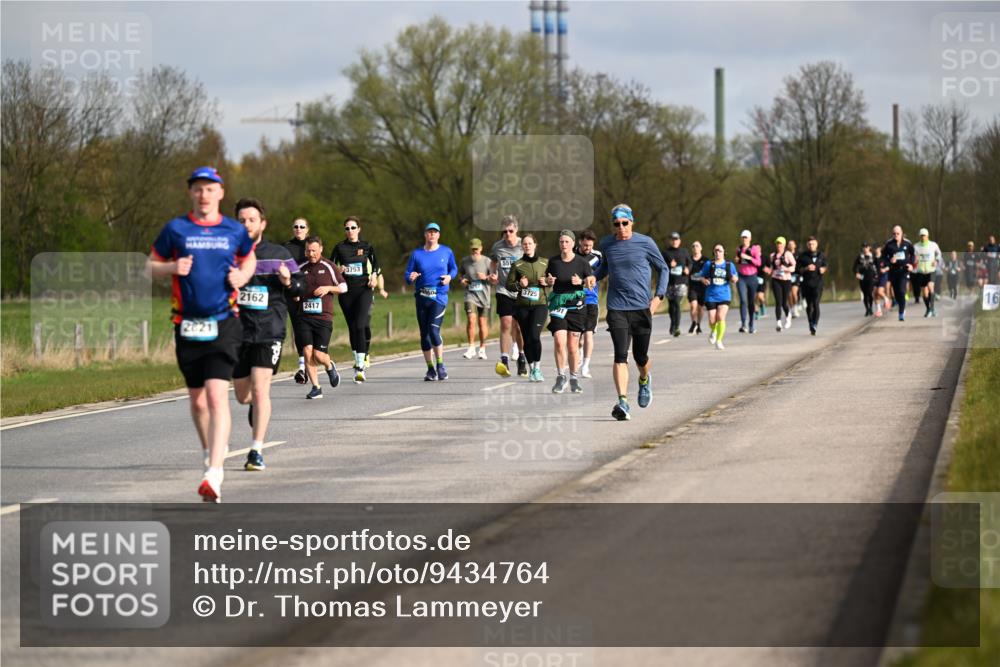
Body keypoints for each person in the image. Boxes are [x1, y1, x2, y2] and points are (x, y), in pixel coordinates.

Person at [148, 166, 256, 503]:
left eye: (210, 189)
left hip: (224, 321)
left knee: (215, 395)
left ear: (220, 193)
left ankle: (214, 472)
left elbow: (248, 260)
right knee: (196, 400)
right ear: (191, 193)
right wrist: (170, 268)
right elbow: (149, 266)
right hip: (186, 324)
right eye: (198, 189)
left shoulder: (233, 230)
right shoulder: (176, 229)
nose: (204, 194)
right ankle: (212, 450)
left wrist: (242, 276)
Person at [231, 198, 304, 472]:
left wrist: (287, 280)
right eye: (241, 220)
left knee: (261, 389)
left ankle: (256, 450)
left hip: (268, 330)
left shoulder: (279, 254)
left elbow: (300, 287)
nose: (246, 224)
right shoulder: (229, 254)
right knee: (242, 395)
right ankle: (254, 406)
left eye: (251, 219)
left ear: (262, 223)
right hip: (238, 332)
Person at [593, 204, 668, 422]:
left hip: (641, 308)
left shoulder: (646, 243)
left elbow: (663, 268)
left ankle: (644, 379)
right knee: (620, 354)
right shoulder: (607, 244)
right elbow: (605, 267)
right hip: (617, 307)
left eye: (624, 223)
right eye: (617, 224)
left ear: (631, 222)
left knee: (640, 357)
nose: (621, 228)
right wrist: (593, 277)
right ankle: (623, 401)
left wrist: (658, 298)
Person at [331, 216, 382, 382]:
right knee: (353, 327)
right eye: (347, 228)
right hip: (346, 292)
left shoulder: (367, 246)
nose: (350, 231)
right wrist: (339, 270)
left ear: (359, 229)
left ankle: (360, 366)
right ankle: (357, 361)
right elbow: (330, 268)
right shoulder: (339, 248)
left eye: (353, 228)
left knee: (360, 324)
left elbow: (376, 266)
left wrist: (373, 276)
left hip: (363, 290)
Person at [405, 222, 458, 381]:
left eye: (435, 232)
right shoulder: (417, 254)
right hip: (421, 297)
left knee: (433, 330)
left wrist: (449, 277)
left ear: (438, 235)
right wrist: (410, 277)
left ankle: (440, 365)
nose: (432, 235)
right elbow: (408, 274)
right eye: (429, 232)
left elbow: (453, 269)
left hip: (439, 297)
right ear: (425, 235)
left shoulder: (446, 251)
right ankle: (430, 369)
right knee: (424, 335)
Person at [296, 236, 347, 398]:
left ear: (321, 250)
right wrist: (295, 294)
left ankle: (329, 366)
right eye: (308, 251)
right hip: (304, 315)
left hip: (323, 317)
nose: (311, 254)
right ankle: (316, 387)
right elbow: (293, 287)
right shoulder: (300, 267)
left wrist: (327, 288)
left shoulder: (329, 266)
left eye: (314, 251)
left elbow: (344, 287)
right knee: (307, 351)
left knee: (318, 354)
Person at [546, 230, 595, 394]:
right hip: (558, 304)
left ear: (573, 243)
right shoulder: (553, 262)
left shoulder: (582, 263)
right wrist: (548, 281)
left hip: (576, 307)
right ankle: (561, 376)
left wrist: (580, 281)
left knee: (573, 346)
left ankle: (573, 377)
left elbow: (591, 283)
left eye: (567, 242)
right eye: (561, 242)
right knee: (559, 341)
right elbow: (546, 280)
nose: (564, 245)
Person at [507, 234, 549, 383]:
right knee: (526, 339)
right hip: (522, 306)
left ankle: (537, 367)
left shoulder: (544, 262)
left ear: (535, 245)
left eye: (530, 243)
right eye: (524, 244)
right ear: (522, 247)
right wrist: (520, 285)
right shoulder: (517, 264)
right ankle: (532, 369)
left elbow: (552, 280)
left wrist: (547, 282)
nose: (527, 246)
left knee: (534, 336)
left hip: (540, 305)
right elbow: (509, 285)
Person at [489, 215, 527, 377]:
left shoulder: (523, 245)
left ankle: (522, 357)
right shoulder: (498, 247)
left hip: (520, 291)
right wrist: (492, 274)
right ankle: (504, 360)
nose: (508, 235)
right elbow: (492, 262)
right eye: (504, 232)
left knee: (518, 327)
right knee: (506, 323)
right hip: (503, 289)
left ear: (516, 230)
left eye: (511, 231)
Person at [284, 218, 311, 385]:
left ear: (307, 229)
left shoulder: (314, 245)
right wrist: (292, 290)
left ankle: (315, 360)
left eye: (302, 226)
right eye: (296, 226)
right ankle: (302, 367)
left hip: (312, 294)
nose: (299, 229)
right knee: (298, 329)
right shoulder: (286, 248)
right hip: (293, 294)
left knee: (313, 328)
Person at [699, 244, 739, 350]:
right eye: (716, 250)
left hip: (724, 295)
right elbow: (702, 276)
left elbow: (735, 277)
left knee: (720, 317)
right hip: (711, 295)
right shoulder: (709, 264)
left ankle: (719, 340)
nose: (718, 252)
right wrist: (704, 280)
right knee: (712, 320)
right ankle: (714, 330)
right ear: (714, 252)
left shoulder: (729, 265)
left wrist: (734, 279)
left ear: (723, 252)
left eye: (720, 250)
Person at [576, 229, 603, 377]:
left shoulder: (598, 256)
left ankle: (586, 366)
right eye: (585, 245)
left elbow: (604, 271)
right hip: (574, 298)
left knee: (588, 333)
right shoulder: (572, 253)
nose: (588, 248)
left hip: (591, 299)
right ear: (580, 242)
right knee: (577, 337)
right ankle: (579, 353)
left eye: (590, 246)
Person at [460, 238, 491, 360]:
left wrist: (486, 277)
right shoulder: (465, 261)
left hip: (484, 296)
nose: (475, 251)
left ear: (481, 248)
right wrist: (462, 280)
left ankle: (482, 348)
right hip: (470, 295)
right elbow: (461, 274)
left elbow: (495, 278)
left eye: (477, 249)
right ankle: (471, 347)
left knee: (482, 323)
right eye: (473, 249)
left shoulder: (487, 261)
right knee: (471, 319)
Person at [882, 226, 916, 322]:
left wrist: (911, 264)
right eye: (894, 234)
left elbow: (913, 254)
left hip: (904, 270)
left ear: (901, 233)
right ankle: (901, 306)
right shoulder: (889, 244)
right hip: (893, 271)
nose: (896, 235)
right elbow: (883, 257)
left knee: (902, 291)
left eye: (898, 233)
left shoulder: (907, 243)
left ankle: (901, 312)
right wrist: (889, 261)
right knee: (897, 294)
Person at [661, 231, 691, 337]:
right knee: (671, 305)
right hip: (669, 282)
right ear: (670, 241)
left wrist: (688, 269)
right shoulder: (665, 253)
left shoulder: (684, 251)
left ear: (679, 241)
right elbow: (660, 266)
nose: (675, 241)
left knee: (677, 303)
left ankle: (676, 327)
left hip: (681, 282)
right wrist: (670, 265)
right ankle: (672, 324)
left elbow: (690, 263)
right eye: (673, 239)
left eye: (676, 239)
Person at [797, 236, 828, 335]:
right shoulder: (802, 256)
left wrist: (823, 269)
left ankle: (815, 324)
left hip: (818, 284)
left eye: (813, 244)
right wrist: (806, 268)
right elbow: (797, 270)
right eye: (809, 244)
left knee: (816, 303)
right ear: (807, 245)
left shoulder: (821, 255)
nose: (811, 246)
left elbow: (825, 265)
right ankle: (810, 322)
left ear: (816, 244)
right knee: (809, 306)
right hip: (806, 284)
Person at [734, 229, 762, 333]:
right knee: (743, 300)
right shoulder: (739, 249)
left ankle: (751, 324)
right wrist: (737, 260)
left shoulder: (754, 249)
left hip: (752, 277)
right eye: (743, 237)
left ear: (750, 238)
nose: (744, 239)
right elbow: (738, 260)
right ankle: (743, 324)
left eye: (746, 237)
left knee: (751, 302)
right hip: (741, 277)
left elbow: (759, 263)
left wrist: (748, 257)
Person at [765, 236, 796, 330]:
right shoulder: (772, 256)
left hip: (786, 280)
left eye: (780, 243)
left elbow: (794, 267)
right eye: (777, 243)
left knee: (783, 302)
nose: (779, 245)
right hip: (776, 279)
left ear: (784, 245)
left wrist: (786, 269)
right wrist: (767, 271)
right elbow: (771, 268)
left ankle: (788, 316)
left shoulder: (788, 254)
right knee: (778, 302)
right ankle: (778, 322)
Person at [912, 228, 942, 317]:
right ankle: (928, 309)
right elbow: (912, 257)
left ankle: (932, 308)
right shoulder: (916, 246)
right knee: (924, 293)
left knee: (930, 287)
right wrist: (914, 260)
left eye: (924, 235)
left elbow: (939, 253)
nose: (922, 237)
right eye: (921, 235)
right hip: (921, 272)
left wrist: (936, 260)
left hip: (931, 271)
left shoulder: (933, 245)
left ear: (927, 236)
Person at [853, 242, 878, 317]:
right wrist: (856, 273)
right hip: (862, 277)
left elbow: (877, 266)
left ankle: (870, 308)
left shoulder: (873, 256)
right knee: (865, 294)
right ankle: (867, 309)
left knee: (870, 293)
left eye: (866, 246)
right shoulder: (859, 257)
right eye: (863, 247)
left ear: (869, 247)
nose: (865, 248)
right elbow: (854, 267)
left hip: (871, 277)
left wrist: (877, 275)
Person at [687, 241, 707, 335]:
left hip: (703, 288)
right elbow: (686, 271)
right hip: (692, 287)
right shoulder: (689, 260)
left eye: (697, 246)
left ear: (701, 248)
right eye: (693, 246)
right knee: (693, 306)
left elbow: (709, 272)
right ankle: (693, 323)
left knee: (700, 308)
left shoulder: (705, 260)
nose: (695, 247)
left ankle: (698, 324)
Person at [787, 239, 803, 318]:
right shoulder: (786, 254)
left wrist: (801, 274)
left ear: (795, 245)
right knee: (789, 294)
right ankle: (791, 308)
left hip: (796, 275)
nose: (791, 245)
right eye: (789, 244)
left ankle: (795, 307)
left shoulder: (798, 255)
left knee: (794, 292)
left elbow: (801, 265)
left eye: (792, 244)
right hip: (788, 275)